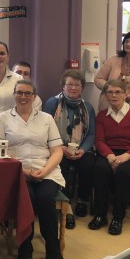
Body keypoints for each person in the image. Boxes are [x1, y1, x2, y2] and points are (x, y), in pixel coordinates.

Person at [0, 80, 71, 259]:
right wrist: (24, 171)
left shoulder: (46, 119)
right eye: (19, 93)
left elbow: (56, 151)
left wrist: (44, 170)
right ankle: (25, 250)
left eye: (28, 93)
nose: (23, 97)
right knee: (28, 198)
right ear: (14, 94)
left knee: (45, 198)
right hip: (16, 172)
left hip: (47, 170)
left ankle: (54, 254)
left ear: (34, 96)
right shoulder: (2, 119)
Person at [89, 79, 130, 236]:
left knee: (124, 171)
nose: (113, 95)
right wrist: (110, 156)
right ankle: (100, 214)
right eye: (110, 92)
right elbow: (99, 141)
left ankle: (118, 217)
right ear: (105, 95)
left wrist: (126, 156)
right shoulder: (102, 116)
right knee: (99, 168)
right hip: (111, 152)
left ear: (125, 94)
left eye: (118, 92)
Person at [43, 69, 96, 230]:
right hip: (57, 148)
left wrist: (83, 150)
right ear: (63, 86)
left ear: (82, 88)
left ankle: (82, 201)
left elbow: (92, 133)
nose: (73, 88)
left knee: (89, 164)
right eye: (69, 85)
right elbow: (45, 129)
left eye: (77, 85)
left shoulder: (88, 107)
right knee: (62, 167)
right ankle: (67, 209)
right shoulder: (52, 103)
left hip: (81, 149)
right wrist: (61, 148)